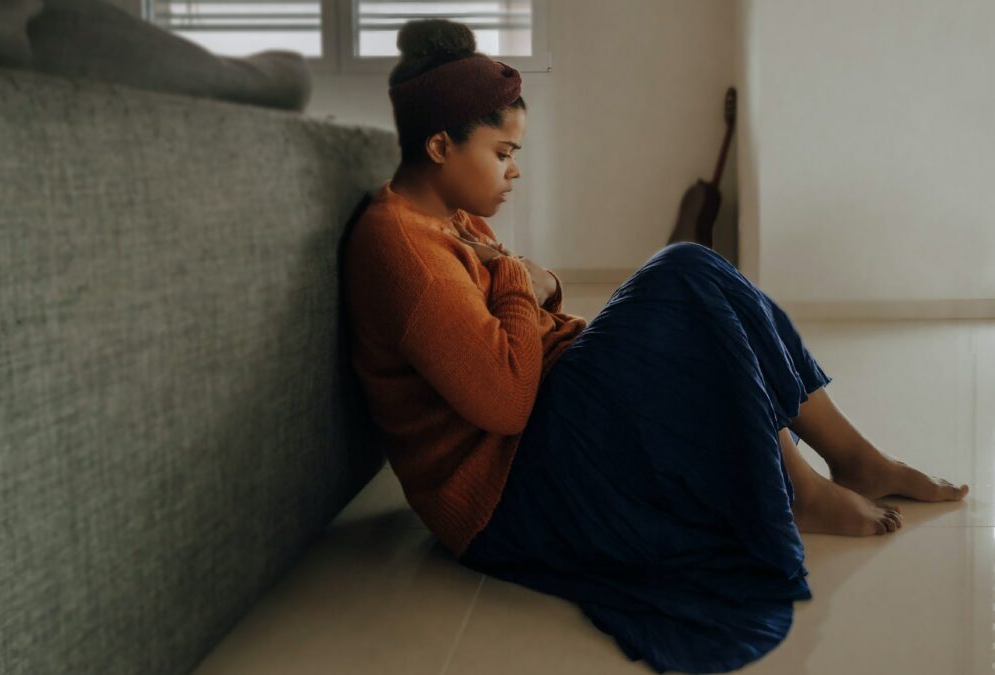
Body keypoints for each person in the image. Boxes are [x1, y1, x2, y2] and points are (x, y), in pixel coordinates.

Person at [341, 18, 969, 674]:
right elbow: (504, 401)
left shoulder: (448, 218)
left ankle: (853, 459)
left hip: (540, 430)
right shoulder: (403, 249)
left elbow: (523, 308)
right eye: (502, 152)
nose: (515, 170)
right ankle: (799, 484)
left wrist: (542, 284)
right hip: (506, 493)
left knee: (694, 277)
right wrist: (517, 281)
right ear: (441, 144)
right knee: (684, 275)